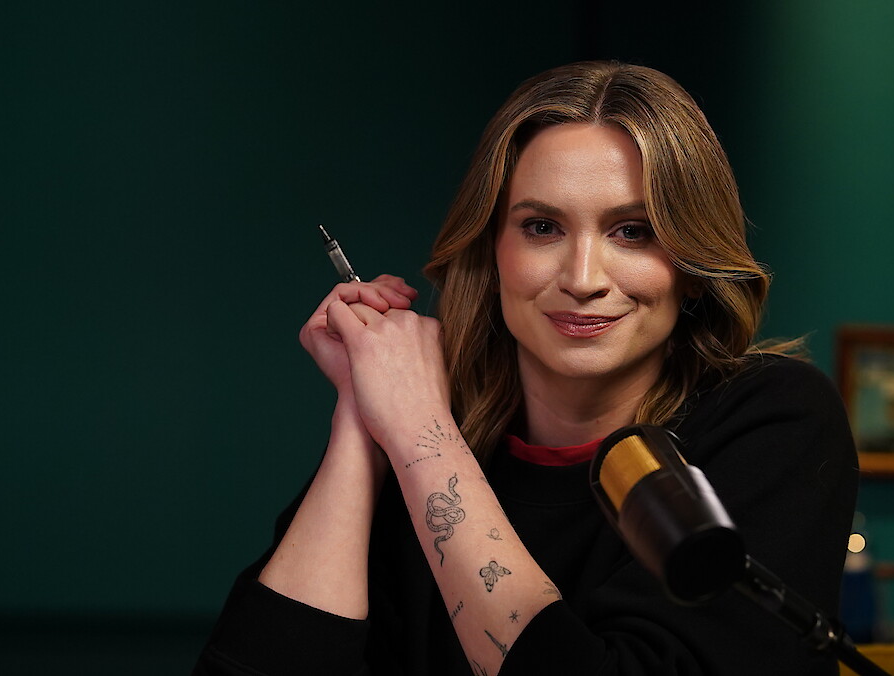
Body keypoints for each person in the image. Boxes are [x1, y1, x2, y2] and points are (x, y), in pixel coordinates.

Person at [195, 60, 859, 676]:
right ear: (493, 254)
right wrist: (361, 420)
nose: (582, 278)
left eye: (634, 230)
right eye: (543, 227)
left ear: (691, 267)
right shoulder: (413, 431)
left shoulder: (778, 421)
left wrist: (419, 426)